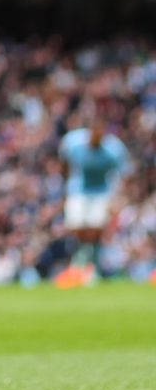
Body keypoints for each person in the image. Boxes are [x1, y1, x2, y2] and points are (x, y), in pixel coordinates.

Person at [59, 116, 128, 275]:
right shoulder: (73, 142)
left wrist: (116, 198)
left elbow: (121, 174)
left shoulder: (114, 149)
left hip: (101, 191)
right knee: (76, 225)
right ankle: (84, 256)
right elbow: (64, 161)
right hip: (79, 189)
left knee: (96, 227)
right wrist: (65, 183)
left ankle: (90, 262)